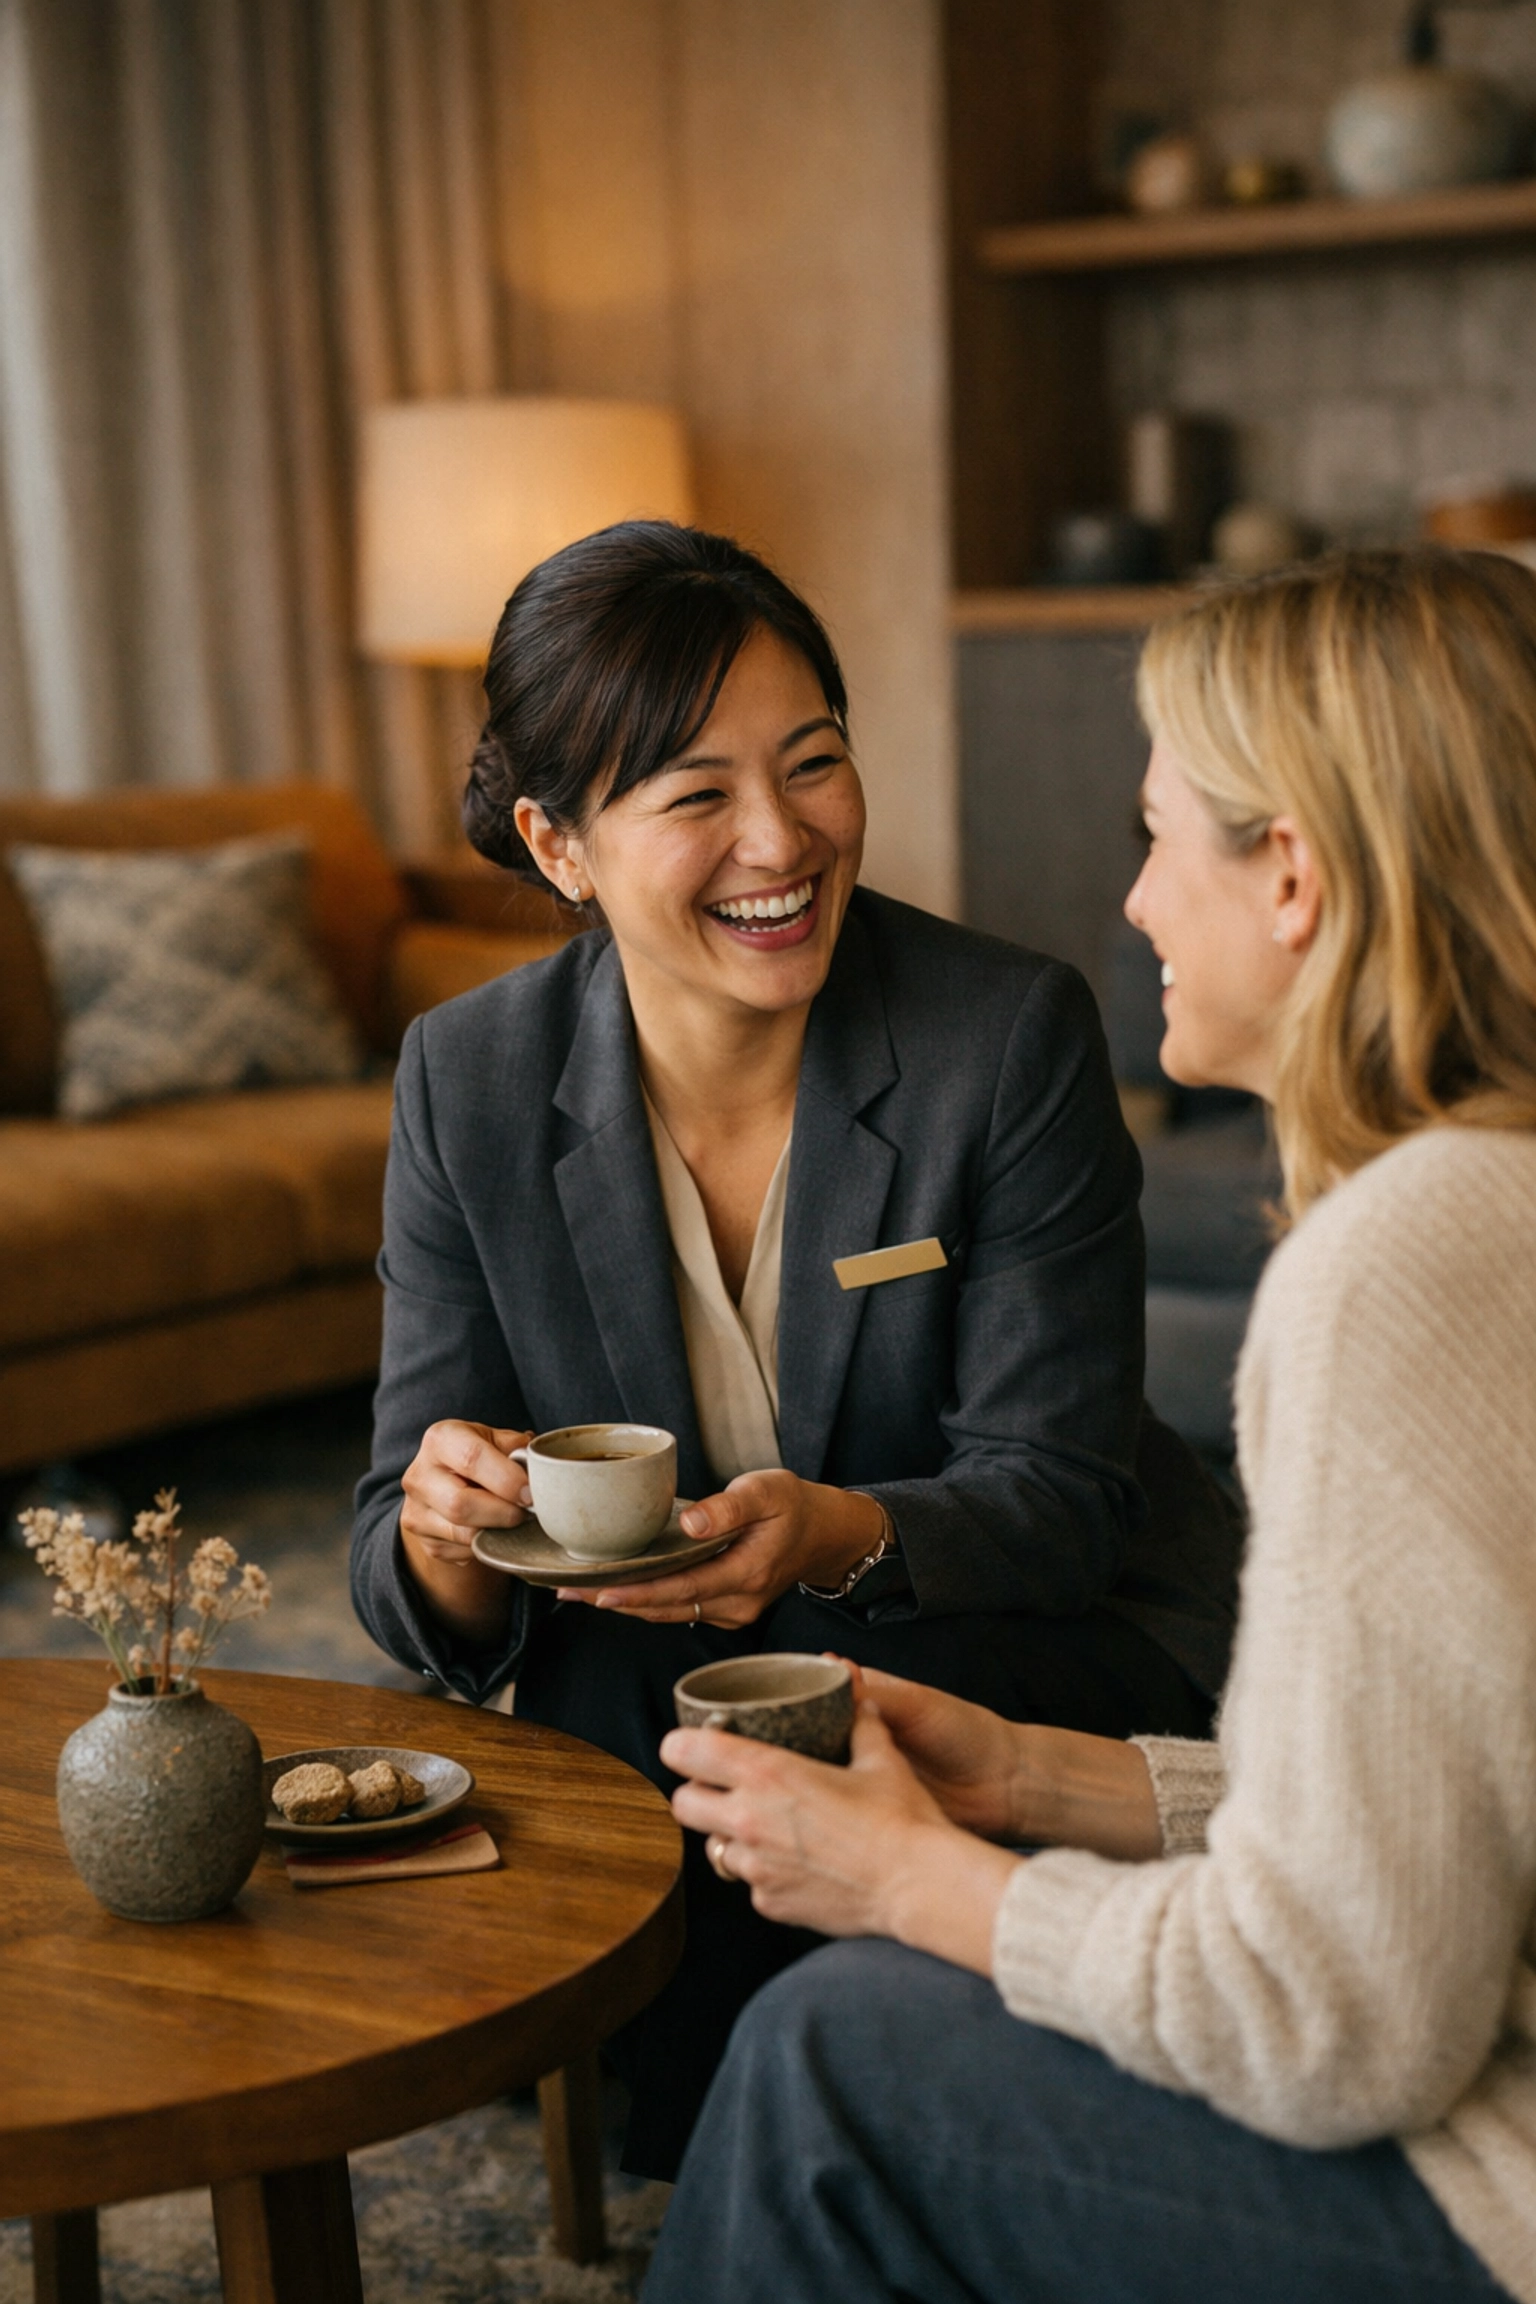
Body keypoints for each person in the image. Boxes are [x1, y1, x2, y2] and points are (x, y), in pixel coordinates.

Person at [647, 545, 1536, 2304]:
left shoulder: (1404, 1262)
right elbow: (1447, 1829)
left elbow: (1336, 2012)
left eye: (1155, 836)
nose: (1131, 903)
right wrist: (1041, 1780)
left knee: (840, 2053)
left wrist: (925, 1886)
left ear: (1291, 874)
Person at [351, 520, 1240, 2178]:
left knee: (773, 1696)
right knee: (627, 1671)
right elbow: (396, 1564)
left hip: (1027, 1624)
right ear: (559, 844)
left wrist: (833, 1531)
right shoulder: (465, 1078)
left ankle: (737, 2163)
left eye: (814, 763)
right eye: (696, 796)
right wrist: (446, 1527)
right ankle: (755, 2153)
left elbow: (1059, 1497)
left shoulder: (1003, 1034)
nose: (782, 838)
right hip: (649, 1654)